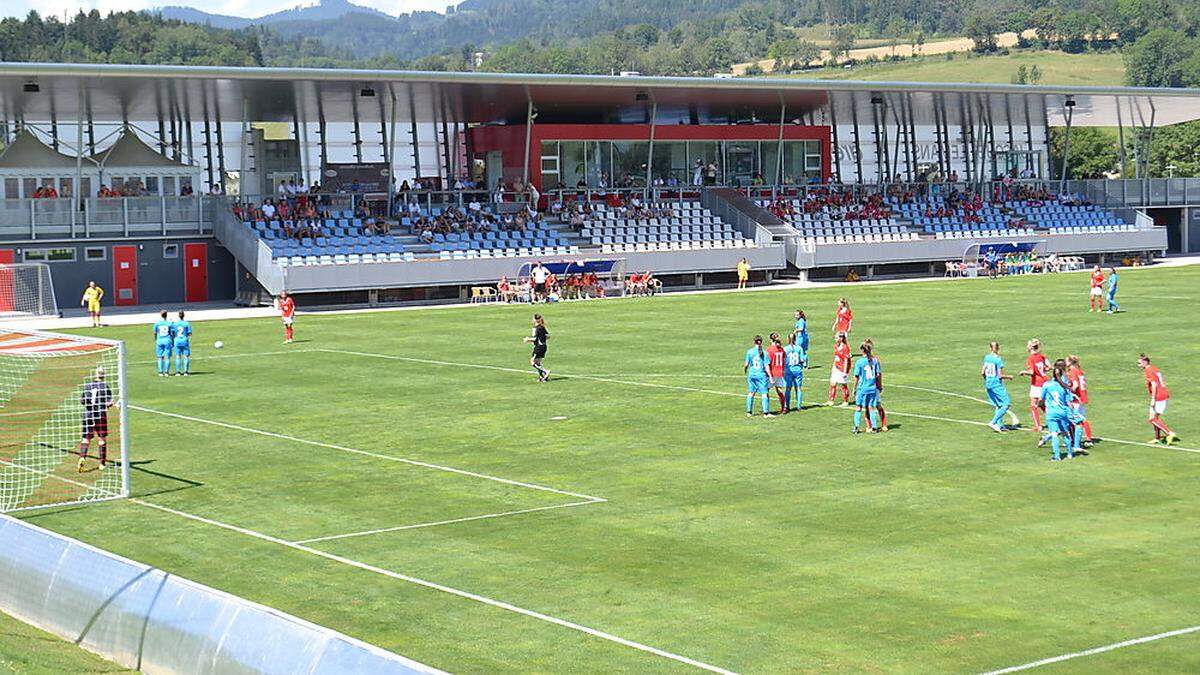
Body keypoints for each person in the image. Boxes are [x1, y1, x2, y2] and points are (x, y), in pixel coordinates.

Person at [77, 367, 114, 472]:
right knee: (102, 439)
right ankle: (102, 464)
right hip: (100, 415)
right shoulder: (105, 387)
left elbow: (82, 400)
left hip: (87, 415)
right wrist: (107, 404)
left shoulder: (88, 386)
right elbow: (109, 402)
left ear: (95, 374)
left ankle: (82, 457)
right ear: (104, 375)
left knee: (86, 438)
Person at [1040, 362, 1078, 461]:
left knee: (1054, 434)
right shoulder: (1064, 386)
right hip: (1063, 411)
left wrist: (1039, 405)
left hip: (1052, 412)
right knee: (1065, 432)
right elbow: (1068, 400)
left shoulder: (1047, 385)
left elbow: (1041, 399)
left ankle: (1057, 456)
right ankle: (1070, 454)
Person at [1139, 354, 1176, 445]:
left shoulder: (1149, 371)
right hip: (1163, 394)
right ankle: (1157, 438)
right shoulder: (1154, 368)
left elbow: (1154, 384)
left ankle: (1169, 433)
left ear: (1145, 362)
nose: (1138, 365)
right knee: (1155, 418)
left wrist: (1153, 398)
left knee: (1152, 419)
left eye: (1139, 363)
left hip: (1159, 397)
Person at [981, 341, 1014, 433]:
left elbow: (982, 372)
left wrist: (987, 380)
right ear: (998, 348)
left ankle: (1000, 426)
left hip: (988, 384)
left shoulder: (987, 357)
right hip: (996, 385)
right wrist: (1009, 377)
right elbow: (1000, 375)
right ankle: (993, 422)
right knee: (1006, 404)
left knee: (998, 405)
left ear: (990, 348)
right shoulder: (998, 360)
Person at [1019, 339, 1050, 432]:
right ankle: (1052, 420)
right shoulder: (1042, 356)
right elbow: (1049, 366)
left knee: (1033, 405)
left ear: (1031, 347)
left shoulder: (1031, 358)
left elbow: (1031, 372)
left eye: (1028, 345)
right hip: (1045, 381)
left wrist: (1023, 372)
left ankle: (1038, 426)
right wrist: (1042, 371)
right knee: (1042, 404)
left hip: (1037, 383)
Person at [851, 341, 882, 433]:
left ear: (862, 350)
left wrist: (854, 388)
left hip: (862, 388)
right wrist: (879, 386)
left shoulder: (859, 362)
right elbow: (878, 374)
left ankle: (856, 427)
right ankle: (875, 427)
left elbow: (856, 376)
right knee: (872, 407)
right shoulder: (875, 361)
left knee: (858, 407)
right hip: (872, 388)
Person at [1066, 355, 1093, 445]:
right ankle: (1088, 439)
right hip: (1082, 397)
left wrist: (1068, 391)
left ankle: (1074, 440)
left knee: (1075, 420)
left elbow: (1075, 385)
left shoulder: (1072, 371)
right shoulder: (1079, 371)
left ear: (1070, 362)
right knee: (1082, 418)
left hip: (1075, 398)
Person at [863, 338, 888, 431]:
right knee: (872, 406)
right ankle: (875, 426)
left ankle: (877, 425)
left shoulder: (872, 361)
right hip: (870, 387)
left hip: (870, 387)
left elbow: (878, 373)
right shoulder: (867, 361)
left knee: (873, 406)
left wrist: (879, 385)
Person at [744, 335, 772, 417]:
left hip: (752, 374)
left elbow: (746, 364)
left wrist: (745, 370)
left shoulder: (749, 352)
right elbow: (766, 366)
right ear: (761, 342)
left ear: (754, 342)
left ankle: (749, 412)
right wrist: (770, 376)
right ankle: (766, 413)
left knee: (751, 393)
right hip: (761, 375)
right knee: (764, 394)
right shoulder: (765, 353)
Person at [826, 332, 851, 406]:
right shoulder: (836, 346)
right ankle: (831, 400)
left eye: (836, 337)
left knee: (843, 385)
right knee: (832, 383)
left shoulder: (845, 348)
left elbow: (846, 360)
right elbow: (836, 357)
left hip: (842, 368)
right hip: (836, 366)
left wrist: (845, 372)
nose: (835, 339)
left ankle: (845, 401)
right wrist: (833, 366)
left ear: (841, 338)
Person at [523, 314, 550, 382]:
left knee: (533, 362)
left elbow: (535, 339)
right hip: (544, 346)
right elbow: (548, 336)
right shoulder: (542, 327)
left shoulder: (535, 328)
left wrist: (528, 339)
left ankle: (546, 371)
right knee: (538, 362)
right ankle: (542, 377)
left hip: (539, 347)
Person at [783, 332, 806, 412]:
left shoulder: (785, 349)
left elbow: (783, 360)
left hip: (788, 370)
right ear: (795, 339)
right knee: (798, 388)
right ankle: (799, 406)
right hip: (797, 370)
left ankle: (787, 406)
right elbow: (802, 359)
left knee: (788, 388)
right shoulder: (799, 348)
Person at [766, 333, 788, 414]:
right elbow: (785, 359)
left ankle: (766, 409)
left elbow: (767, 361)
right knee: (780, 390)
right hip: (780, 372)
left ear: (770, 339)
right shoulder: (781, 349)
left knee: (766, 391)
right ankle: (784, 408)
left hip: (772, 372)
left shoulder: (769, 349)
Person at [153, 310, 175, 376]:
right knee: (167, 357)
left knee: (160, 357)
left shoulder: (157, 323)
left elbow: (155, 333)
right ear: (166, 315)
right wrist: (172, 341)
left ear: (161, 315)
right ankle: (166, 372)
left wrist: (156, 339)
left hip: (160, 340)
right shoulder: (169, 323)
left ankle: (160, 372)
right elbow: (173, 333)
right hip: (167, 340)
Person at [173, 310, 192, 377]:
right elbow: (190, 333)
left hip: (177, 341)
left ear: (178, 315)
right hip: (184, 341)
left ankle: (178, 372)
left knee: (178, 356)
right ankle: (185, 372)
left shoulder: (175, 324)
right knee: (186, 356)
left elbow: (173, 332)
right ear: (184, 315)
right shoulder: (187, 323)